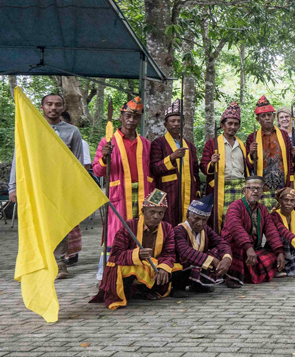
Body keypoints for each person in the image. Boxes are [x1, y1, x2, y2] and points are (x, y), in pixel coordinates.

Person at [8, 93, 86, 279]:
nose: (53, 108)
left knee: (60, 224)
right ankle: (36, 263)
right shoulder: (30, 129)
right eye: (49, 104)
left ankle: (60, 264)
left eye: (57, 104)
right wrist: (13, 187)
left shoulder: (72, 131)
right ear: (42, 107)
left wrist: (76, 189)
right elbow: (17, 159)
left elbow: (78, 163)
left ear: (63, 107)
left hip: (61, 187)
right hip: (35, 187)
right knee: (35, 225)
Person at [94, 97, 155, 278]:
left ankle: (139, 275)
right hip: (119, 195)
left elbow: (151, 169)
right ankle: (108, 274)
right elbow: (97, 171)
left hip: (143, 195)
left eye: (136, 117)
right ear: (121, 117)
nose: (131, 120)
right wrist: (105, 158)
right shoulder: (108, 141)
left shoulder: (146, 143)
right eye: (128, 116)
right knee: (116, 234)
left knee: (142, 232)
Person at [90, 189, 178, 309]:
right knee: (121, 268)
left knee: (177, 268)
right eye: (152, 212)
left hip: (155, 266)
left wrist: (164, 267)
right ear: (143, 211)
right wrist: (137, 255)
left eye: (160, 213)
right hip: (132, 265)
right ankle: (130, 291)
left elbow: (169, 253)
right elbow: (115, 255)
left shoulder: (167, 228)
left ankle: (147, 290)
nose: (156, 216)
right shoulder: (128, 227)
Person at [222, 176, 285, 287]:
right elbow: (236, 228)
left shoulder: (263, 209)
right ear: (244, 191)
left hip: (253, 249)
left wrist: (279, 251)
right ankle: (233, 277)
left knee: (271, 256)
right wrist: (248, 247)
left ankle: (249, 272)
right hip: (236, 247)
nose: (255, 191)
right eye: (251, 188)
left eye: (258, 188)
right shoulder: (235, 207)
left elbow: (271, 230)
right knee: (237, 252)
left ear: (262, 192)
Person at [200, 102, 251, 231]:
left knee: (240, 219)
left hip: (240, 187)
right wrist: (212, 163)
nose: (232, 127)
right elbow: (203, 167)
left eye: (236, 124)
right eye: (229, 123)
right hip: (221, 187)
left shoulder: (241, 145)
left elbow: (246, 167)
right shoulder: (212, 144)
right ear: (223, 125)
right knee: (222, 220)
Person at [150, 99, 200, 226]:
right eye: (172, 121)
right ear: (165, 124)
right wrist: (171, 158)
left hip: (188, 192)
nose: (176, 124)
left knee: (188, 222)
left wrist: (197, 190)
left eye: (179, 121)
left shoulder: (190, 146)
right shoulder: (158, 143)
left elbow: (195, 171)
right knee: (167, 222)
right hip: (165, 191)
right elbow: (154, 169)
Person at [172, 195, 232, 295]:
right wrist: (212, 260)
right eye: (197, 218)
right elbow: (184, 251)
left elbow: (221, 243)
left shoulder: (206, 229)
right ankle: (177, 288)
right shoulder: (179, 230)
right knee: (190, 261)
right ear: (188, 216)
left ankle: (198, 285)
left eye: (204, 220)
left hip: (194, 267)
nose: (200, 223)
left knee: (217, 252)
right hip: (180, 269)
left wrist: (227, 258)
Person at [246, 95, 293, 209]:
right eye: (263, 116)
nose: (267, 118)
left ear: (273, 116)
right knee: (263, 213)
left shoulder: (283, 135)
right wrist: (251, 154)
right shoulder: (252, 137)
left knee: (281, 211)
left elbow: (289, 158)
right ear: (258, 119)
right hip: (262, 183)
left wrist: (291, 180)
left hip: (281, 181)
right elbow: (248, 164)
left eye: (269, 115)